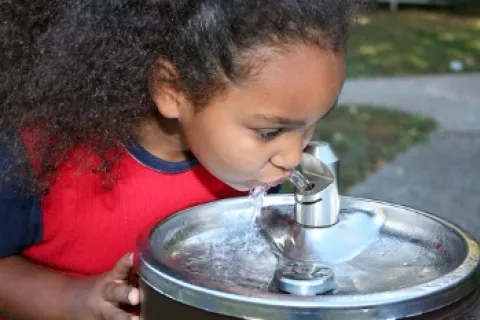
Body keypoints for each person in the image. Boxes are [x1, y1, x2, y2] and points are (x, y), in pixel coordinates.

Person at [0, 0, 366, 319]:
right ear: (171, 89)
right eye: (269, 133)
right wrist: (69, 301)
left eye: (310, 127)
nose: (292, 156)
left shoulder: (254, 173)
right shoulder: (37, 160)